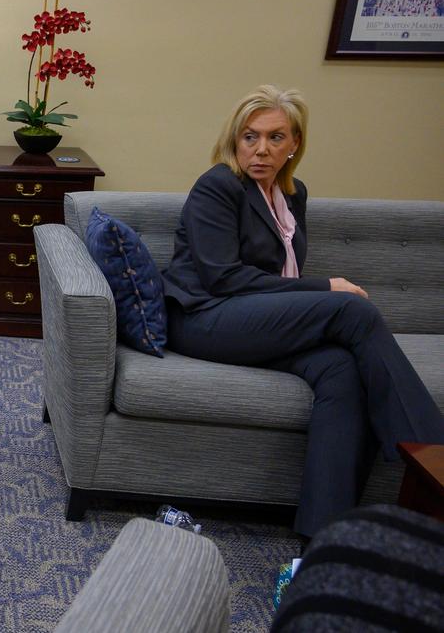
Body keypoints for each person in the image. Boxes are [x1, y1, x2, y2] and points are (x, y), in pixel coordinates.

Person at [162, 84, 444, 538]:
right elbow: (222, 278)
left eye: (276, 138)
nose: (261, 150)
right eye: (250, 136)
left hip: (254, 320)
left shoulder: (294, 195)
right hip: (204, 317)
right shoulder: (218, 185)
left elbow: (281, 276)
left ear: (295, 144)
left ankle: (322, 537)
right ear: (234, 139)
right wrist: (326, 289)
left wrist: (307, 303)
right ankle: (434, 458)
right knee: (352, 311)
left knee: (341, 369)